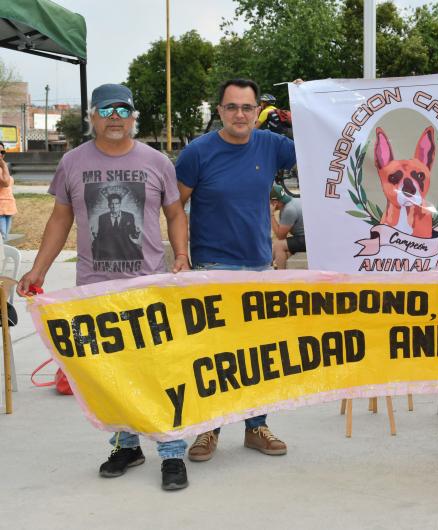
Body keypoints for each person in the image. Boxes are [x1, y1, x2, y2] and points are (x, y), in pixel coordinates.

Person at [16, 83, 191, 491]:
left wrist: (180, 255)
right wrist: (38, 270)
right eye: (106, 109)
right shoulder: (73, 163)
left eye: (123, 109)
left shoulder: (157, 162)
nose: (115, 116)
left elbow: (175, 213)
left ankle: (171, 452)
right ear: (92, 116)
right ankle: (126, 445)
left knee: (157, 371)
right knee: (111, 374)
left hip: (149, 288)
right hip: (94, 290)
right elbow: (59, 220)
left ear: (134, 117)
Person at [176, 78, 295, 462]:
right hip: (212, 267)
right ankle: (207, 429)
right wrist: (181, 254)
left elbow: (321, 147)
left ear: (257, 110)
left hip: (259, 267)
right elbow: (174, 206)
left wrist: (307, 102)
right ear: (220, 111)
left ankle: (255, 426)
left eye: (247, 107)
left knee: (257, 355)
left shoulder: (272, 146)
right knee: (214, 354)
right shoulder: (197, 152)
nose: (240, 114)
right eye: (232, 107)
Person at [93, 192, 144, 261]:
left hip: (125, 247)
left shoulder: (129, 216)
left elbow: (133, 235)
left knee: (137, 253)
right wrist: (95, 235)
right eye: (112, 204)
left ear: (120, 204)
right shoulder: (102, 218)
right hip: (108, 248)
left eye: (116, 203)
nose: (114, 206)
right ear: (108, 205)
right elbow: (101, 235)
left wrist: (137, 232)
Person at [270, 183, 305, 269]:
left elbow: (280, 236)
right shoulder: (292, 201)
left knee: (278, 245)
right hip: (308, 236)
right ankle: (264, 267)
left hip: (308, 239)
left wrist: (271, 215)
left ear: (275, 202)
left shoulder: (288, 210)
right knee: (277, 247)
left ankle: (281, 276)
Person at [0, 142, 17, 240]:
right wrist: (4, 165)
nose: (1, 154)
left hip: (8, 208)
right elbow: (5, 183)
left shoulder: (2, 167)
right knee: (2, 237)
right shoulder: (3, 166)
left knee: (4, 238)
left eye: (2, 151)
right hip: (0, 209)